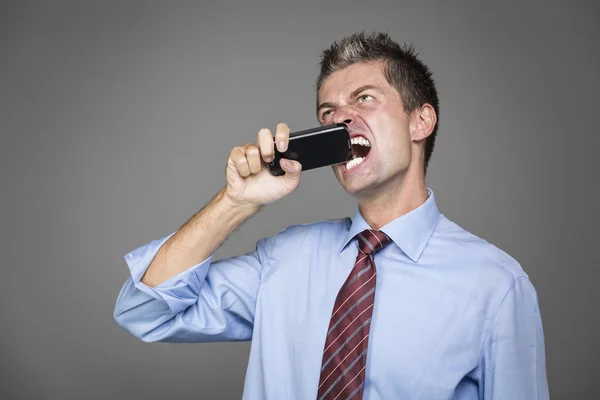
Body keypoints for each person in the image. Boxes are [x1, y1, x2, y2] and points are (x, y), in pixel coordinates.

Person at [114, 32, 549, 399]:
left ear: (420, 122)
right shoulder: (284, 260)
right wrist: (237, 202)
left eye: (364, 98)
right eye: (327, 113)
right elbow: (144, 311)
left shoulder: (496, 285)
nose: (340, 120)